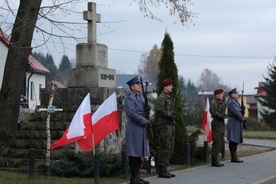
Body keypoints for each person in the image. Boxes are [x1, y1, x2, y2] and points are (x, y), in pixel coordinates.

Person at [124, 75, 152, 184]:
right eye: (137, 84)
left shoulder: (140, 97)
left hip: (141, 128)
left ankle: (137, 176)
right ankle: (133, 178)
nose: (140, 85)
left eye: (140, 84)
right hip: (134, 127)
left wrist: (147, 110)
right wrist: (145, 121)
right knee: (133, 153)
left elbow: (143, 110)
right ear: (132, 87)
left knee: (139, 152)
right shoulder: (129, 98)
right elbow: (132, 113)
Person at [155, 78, 176, 178]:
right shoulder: (162, 97)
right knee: (165, 147)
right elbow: (159, 108)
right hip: (164, 125)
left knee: (170, 147)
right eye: (170, 85)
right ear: (165, 87)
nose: (172, 87)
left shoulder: (169, 97)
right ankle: (161, 169)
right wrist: (168, 115)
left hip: (170, 124)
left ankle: (165, 168)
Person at [227, 88, 246, 163]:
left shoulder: (235, 102)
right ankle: (233, 157)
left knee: (236, 139)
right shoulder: (232, 102)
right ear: (232, 95)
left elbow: (239, 111)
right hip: (234, 121)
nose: (237, 94)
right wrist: (243, 118)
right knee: (233, 139)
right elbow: (236, 112)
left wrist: (242, 109)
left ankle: (234, 156)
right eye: (236, 93)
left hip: (237, 121)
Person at [209, 88, 225, 167]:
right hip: (216, 122)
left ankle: (216, 158)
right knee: (217, 141)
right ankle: (214, 159)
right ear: (217, 95)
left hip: (220, 123)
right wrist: (220, 116)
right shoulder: (214, 102)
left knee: (220, 141)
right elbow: (213, 111)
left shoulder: (220, 103)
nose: (222, 96)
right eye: (221, 94)